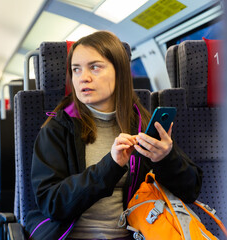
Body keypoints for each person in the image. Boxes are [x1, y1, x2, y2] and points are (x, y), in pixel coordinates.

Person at [24, 31, 202, 239]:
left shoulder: (141, 124)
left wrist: (166, 158)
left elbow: (191, 191)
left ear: (120, 72)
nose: (84, 78)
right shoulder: (58, 128)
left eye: (95, 67)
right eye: (76, 69)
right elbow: (52, 204)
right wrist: (111, 166)